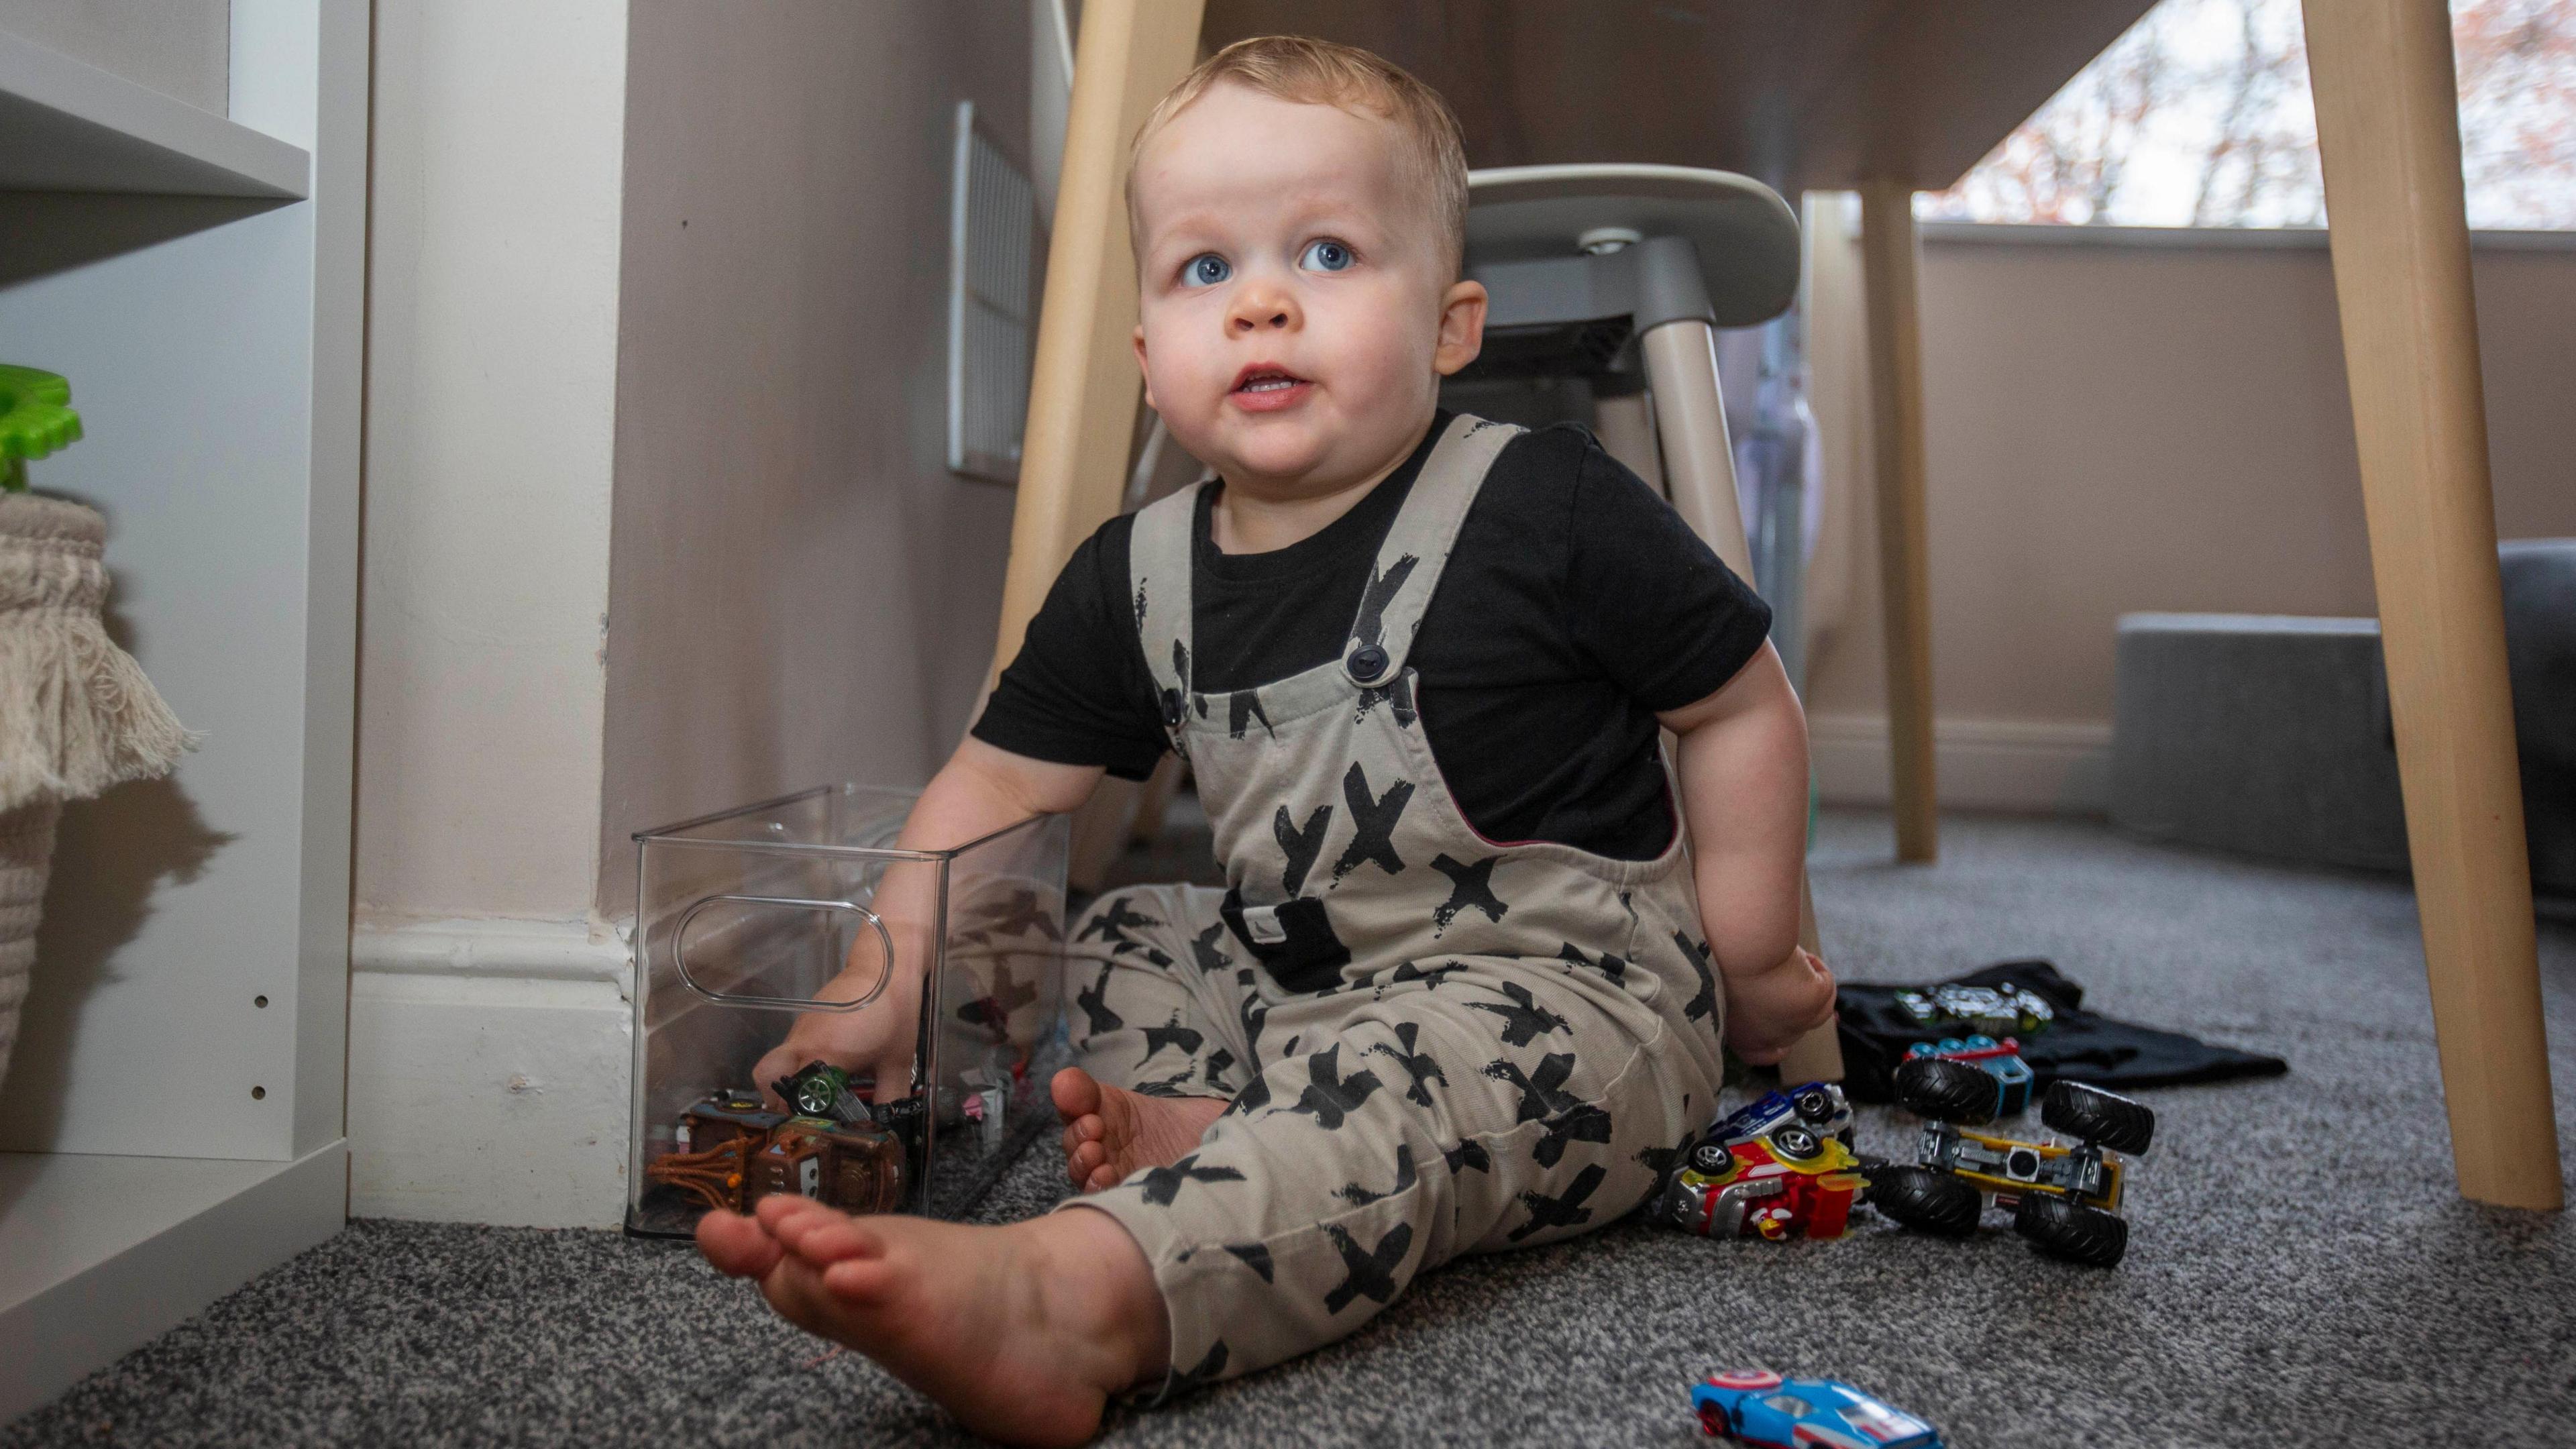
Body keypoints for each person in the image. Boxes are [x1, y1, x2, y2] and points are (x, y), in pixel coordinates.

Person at [694, 36, 1834, 1448]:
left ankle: (1077, 1297)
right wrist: (886, 970)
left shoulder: (1547, 505)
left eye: (1332, 255)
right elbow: (997, 784)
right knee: (1110, 935)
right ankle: (1203, 1130)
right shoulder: (1134, 575)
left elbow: (1737, 698)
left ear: (1451, 324)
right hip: (1309, 977)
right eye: (1206, 271)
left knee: (1401, 1102)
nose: (1264, 307)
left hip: (1569, 1005)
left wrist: (1754, 950)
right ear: (1147, 357)